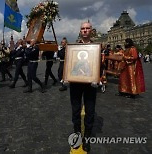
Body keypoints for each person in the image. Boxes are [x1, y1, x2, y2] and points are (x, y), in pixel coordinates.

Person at [69, 22, 98, 152]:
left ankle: (87, 137)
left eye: (87, 28)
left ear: (91, 30)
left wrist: (98, 78)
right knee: (76, 110)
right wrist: (67, 75)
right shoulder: (74, 48)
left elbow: (99, 64)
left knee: (90, 111)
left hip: (90, 84)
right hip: (75, 84)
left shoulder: (95, 47)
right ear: (80, 31)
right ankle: (77, 134)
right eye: (83, 28)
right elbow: (71, 67)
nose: (85, 30)